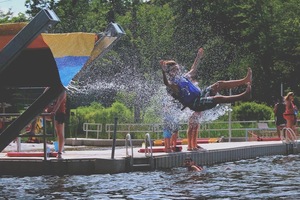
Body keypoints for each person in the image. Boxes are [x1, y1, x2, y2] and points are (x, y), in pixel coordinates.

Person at [160, 47, 252, 112]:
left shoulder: (183, 77)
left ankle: (245, 80)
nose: (177, 71)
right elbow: (166, 83)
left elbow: (193, 70)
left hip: (200, 95)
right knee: (217, 98)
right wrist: (163, 72)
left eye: (177, 68)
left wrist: (198, 57)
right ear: (170, 72)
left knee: (219, 84)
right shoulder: (173, 84)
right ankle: (243, 96)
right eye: (174, 70)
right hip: (195, 104)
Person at [45, 89, 67, 159]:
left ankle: (59, 152)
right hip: (50, 113)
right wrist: (45, 110)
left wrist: (54, 111)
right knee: (35, 113)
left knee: (60, 133)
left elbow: (59, 103)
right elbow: (44, 101)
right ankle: (32, 128)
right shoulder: (48, 89)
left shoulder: (62, 91)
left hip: (59, 114)